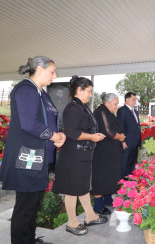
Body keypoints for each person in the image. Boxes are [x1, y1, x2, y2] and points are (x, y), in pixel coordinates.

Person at [0, 56, 66, 244]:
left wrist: (58, 137)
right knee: (25, 206)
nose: (55, 75)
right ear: (38, 68)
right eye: (52, 71)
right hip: (27, 156)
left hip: (38, 156)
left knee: (34, 203)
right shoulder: (26, 90)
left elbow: (48, 121)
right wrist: (54, 136)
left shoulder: (40, 92)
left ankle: (28, 239)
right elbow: (29, 123)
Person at [52, 76, 108, 236]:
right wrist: (92, 137)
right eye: (89, 91)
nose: (91, 94)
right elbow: (72, 132)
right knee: (72, 189)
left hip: (82, 154)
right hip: (73, 156)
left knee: (82, 187)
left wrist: (93, 134)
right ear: (80, 90)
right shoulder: (72, 108)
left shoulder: (81, 106)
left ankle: (90, 216)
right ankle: (72, 222)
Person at [92, 93, 126, 215]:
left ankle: (106, 200)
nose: (117, 107)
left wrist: (121, 141)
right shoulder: (101, 112)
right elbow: (108, 131)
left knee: (109, 177)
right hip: (102, 153)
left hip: (109, 152)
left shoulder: (107, 112)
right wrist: (120, 137)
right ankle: (98, 206)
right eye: (115, 104)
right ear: (107, 103)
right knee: (101, 178)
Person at [117, 92, 141, 178]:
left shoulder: (135, 111)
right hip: (127, 143)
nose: (135, 101)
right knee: (125, 164)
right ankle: (122, 184)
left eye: (135, 99)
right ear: (127, 100)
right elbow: (120, 127)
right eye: (133, 99)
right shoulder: (122, 111)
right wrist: (122, 141)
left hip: (135, 143)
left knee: (132, 164)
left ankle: (130, 183)